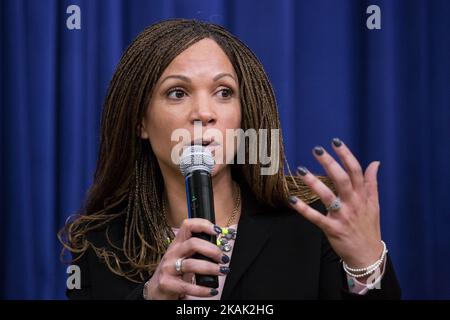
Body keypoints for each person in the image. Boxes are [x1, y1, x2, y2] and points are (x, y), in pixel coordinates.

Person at [59, 19, 401, 300]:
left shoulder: (313, 225)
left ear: (242, 115)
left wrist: (367, 266)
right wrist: (151, 297)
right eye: (177, 93)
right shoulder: (99, 246)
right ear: (140, 122)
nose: (204, 113)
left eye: (224, 92)